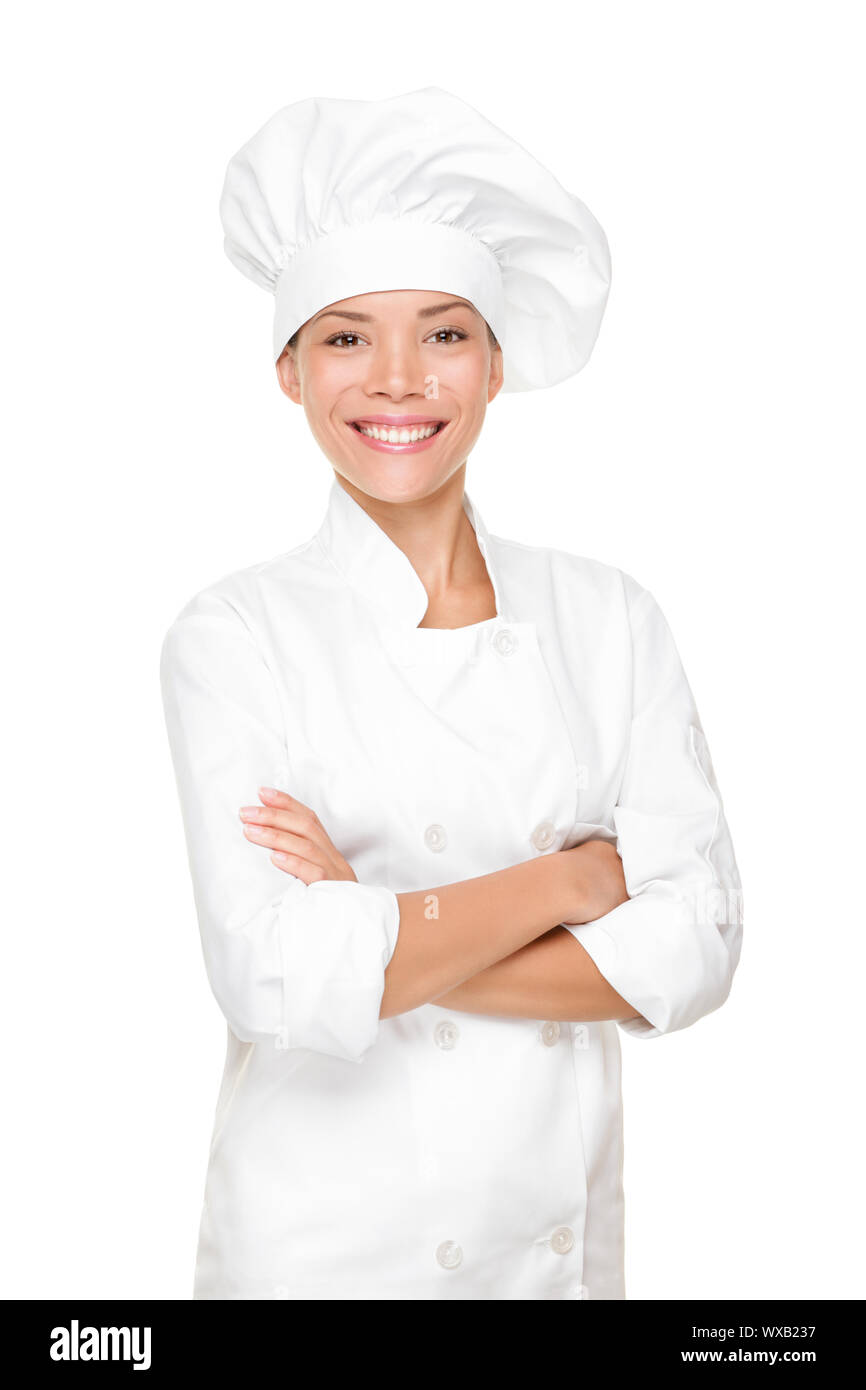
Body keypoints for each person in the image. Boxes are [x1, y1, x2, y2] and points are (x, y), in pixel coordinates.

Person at [159, 87, 743, 1301]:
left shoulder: (608, 618)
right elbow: (269, 973)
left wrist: (371, 919)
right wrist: (569, 884)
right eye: (342, 336)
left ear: (492, 362)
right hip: (312, 1257)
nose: (395, 381)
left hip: (552, 1262)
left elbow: (695, 948)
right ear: (286, 369)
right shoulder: (234, 634)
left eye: (440, 334)